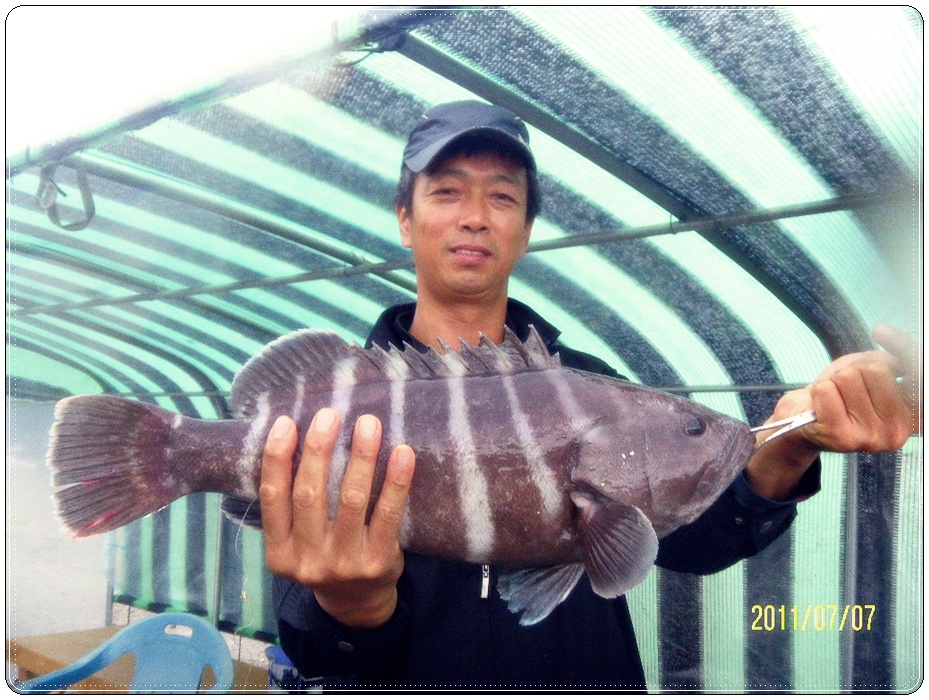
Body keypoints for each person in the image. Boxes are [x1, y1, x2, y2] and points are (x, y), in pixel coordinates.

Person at [259, 101, 918, 689]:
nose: (474, 217)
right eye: (446, 191)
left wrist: (790, 445)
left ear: (524, 230)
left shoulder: (593, 384)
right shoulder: (334, 407)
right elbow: (312, 650)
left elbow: (694, 541)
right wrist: (352, 608)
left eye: (502, 197)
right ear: (406, 219)